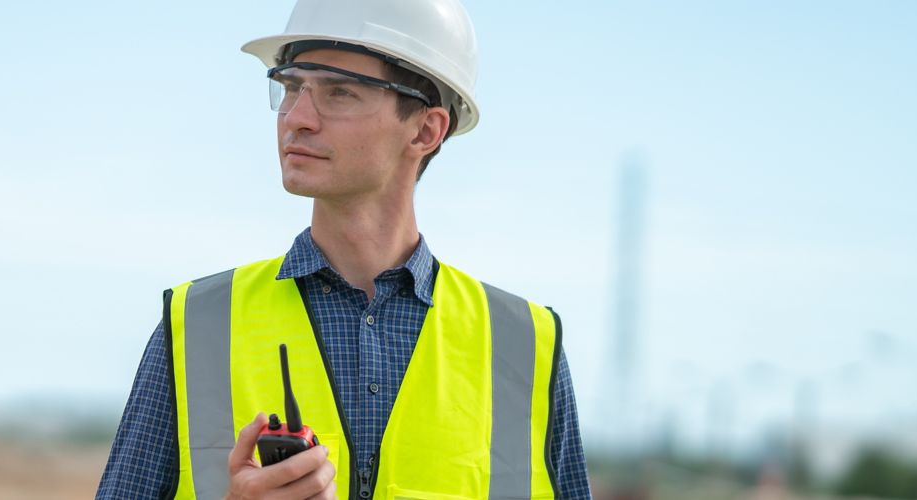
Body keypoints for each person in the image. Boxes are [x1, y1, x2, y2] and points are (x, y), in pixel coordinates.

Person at [94, 0, 590, 498]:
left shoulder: (525, 344)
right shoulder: (196, 324)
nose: (297, 118)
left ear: (425, 129)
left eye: (339, 92)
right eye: (291, 88)